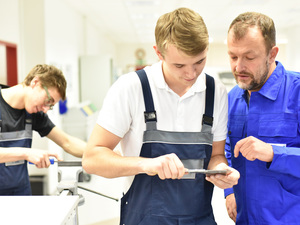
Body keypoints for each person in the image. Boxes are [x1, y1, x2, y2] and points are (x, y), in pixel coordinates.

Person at [83, 7, 239, 225]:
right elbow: (92, 159)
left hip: (199, 218)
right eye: (179, 65)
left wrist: (220, 170)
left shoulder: (216, 92)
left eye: (199, 62)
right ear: (158, 53)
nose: (191, 74)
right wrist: (146, 165)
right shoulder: (131, 88)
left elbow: (216, 155)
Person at [224, 12, 300, 224]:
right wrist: (229, 191)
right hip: (245, 218)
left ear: (271, 54)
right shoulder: (232, 99)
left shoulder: (297, 91)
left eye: (249, 57)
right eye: (233, 56)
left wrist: (273, 153)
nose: (239, 67)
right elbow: (227, 148)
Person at [0, 64, 86, 195]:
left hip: (20, 192)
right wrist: (27, 153)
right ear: (35, 82)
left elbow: (67, 142)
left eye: (50, 106)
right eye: (48, 100)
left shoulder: (34, 114)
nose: (45, 109)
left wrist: (100, 151)